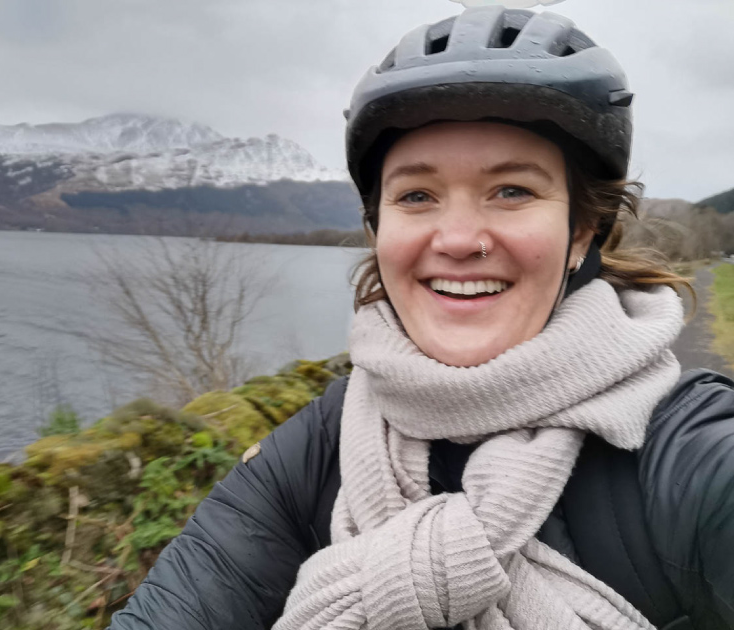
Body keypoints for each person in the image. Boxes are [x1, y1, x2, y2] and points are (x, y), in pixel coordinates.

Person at [109, 7, 734, 630]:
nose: (459, 239)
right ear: (379, 230)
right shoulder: (312, 451)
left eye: (512, 190)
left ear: (582, 232)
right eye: (416, 196)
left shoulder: (689, 451)